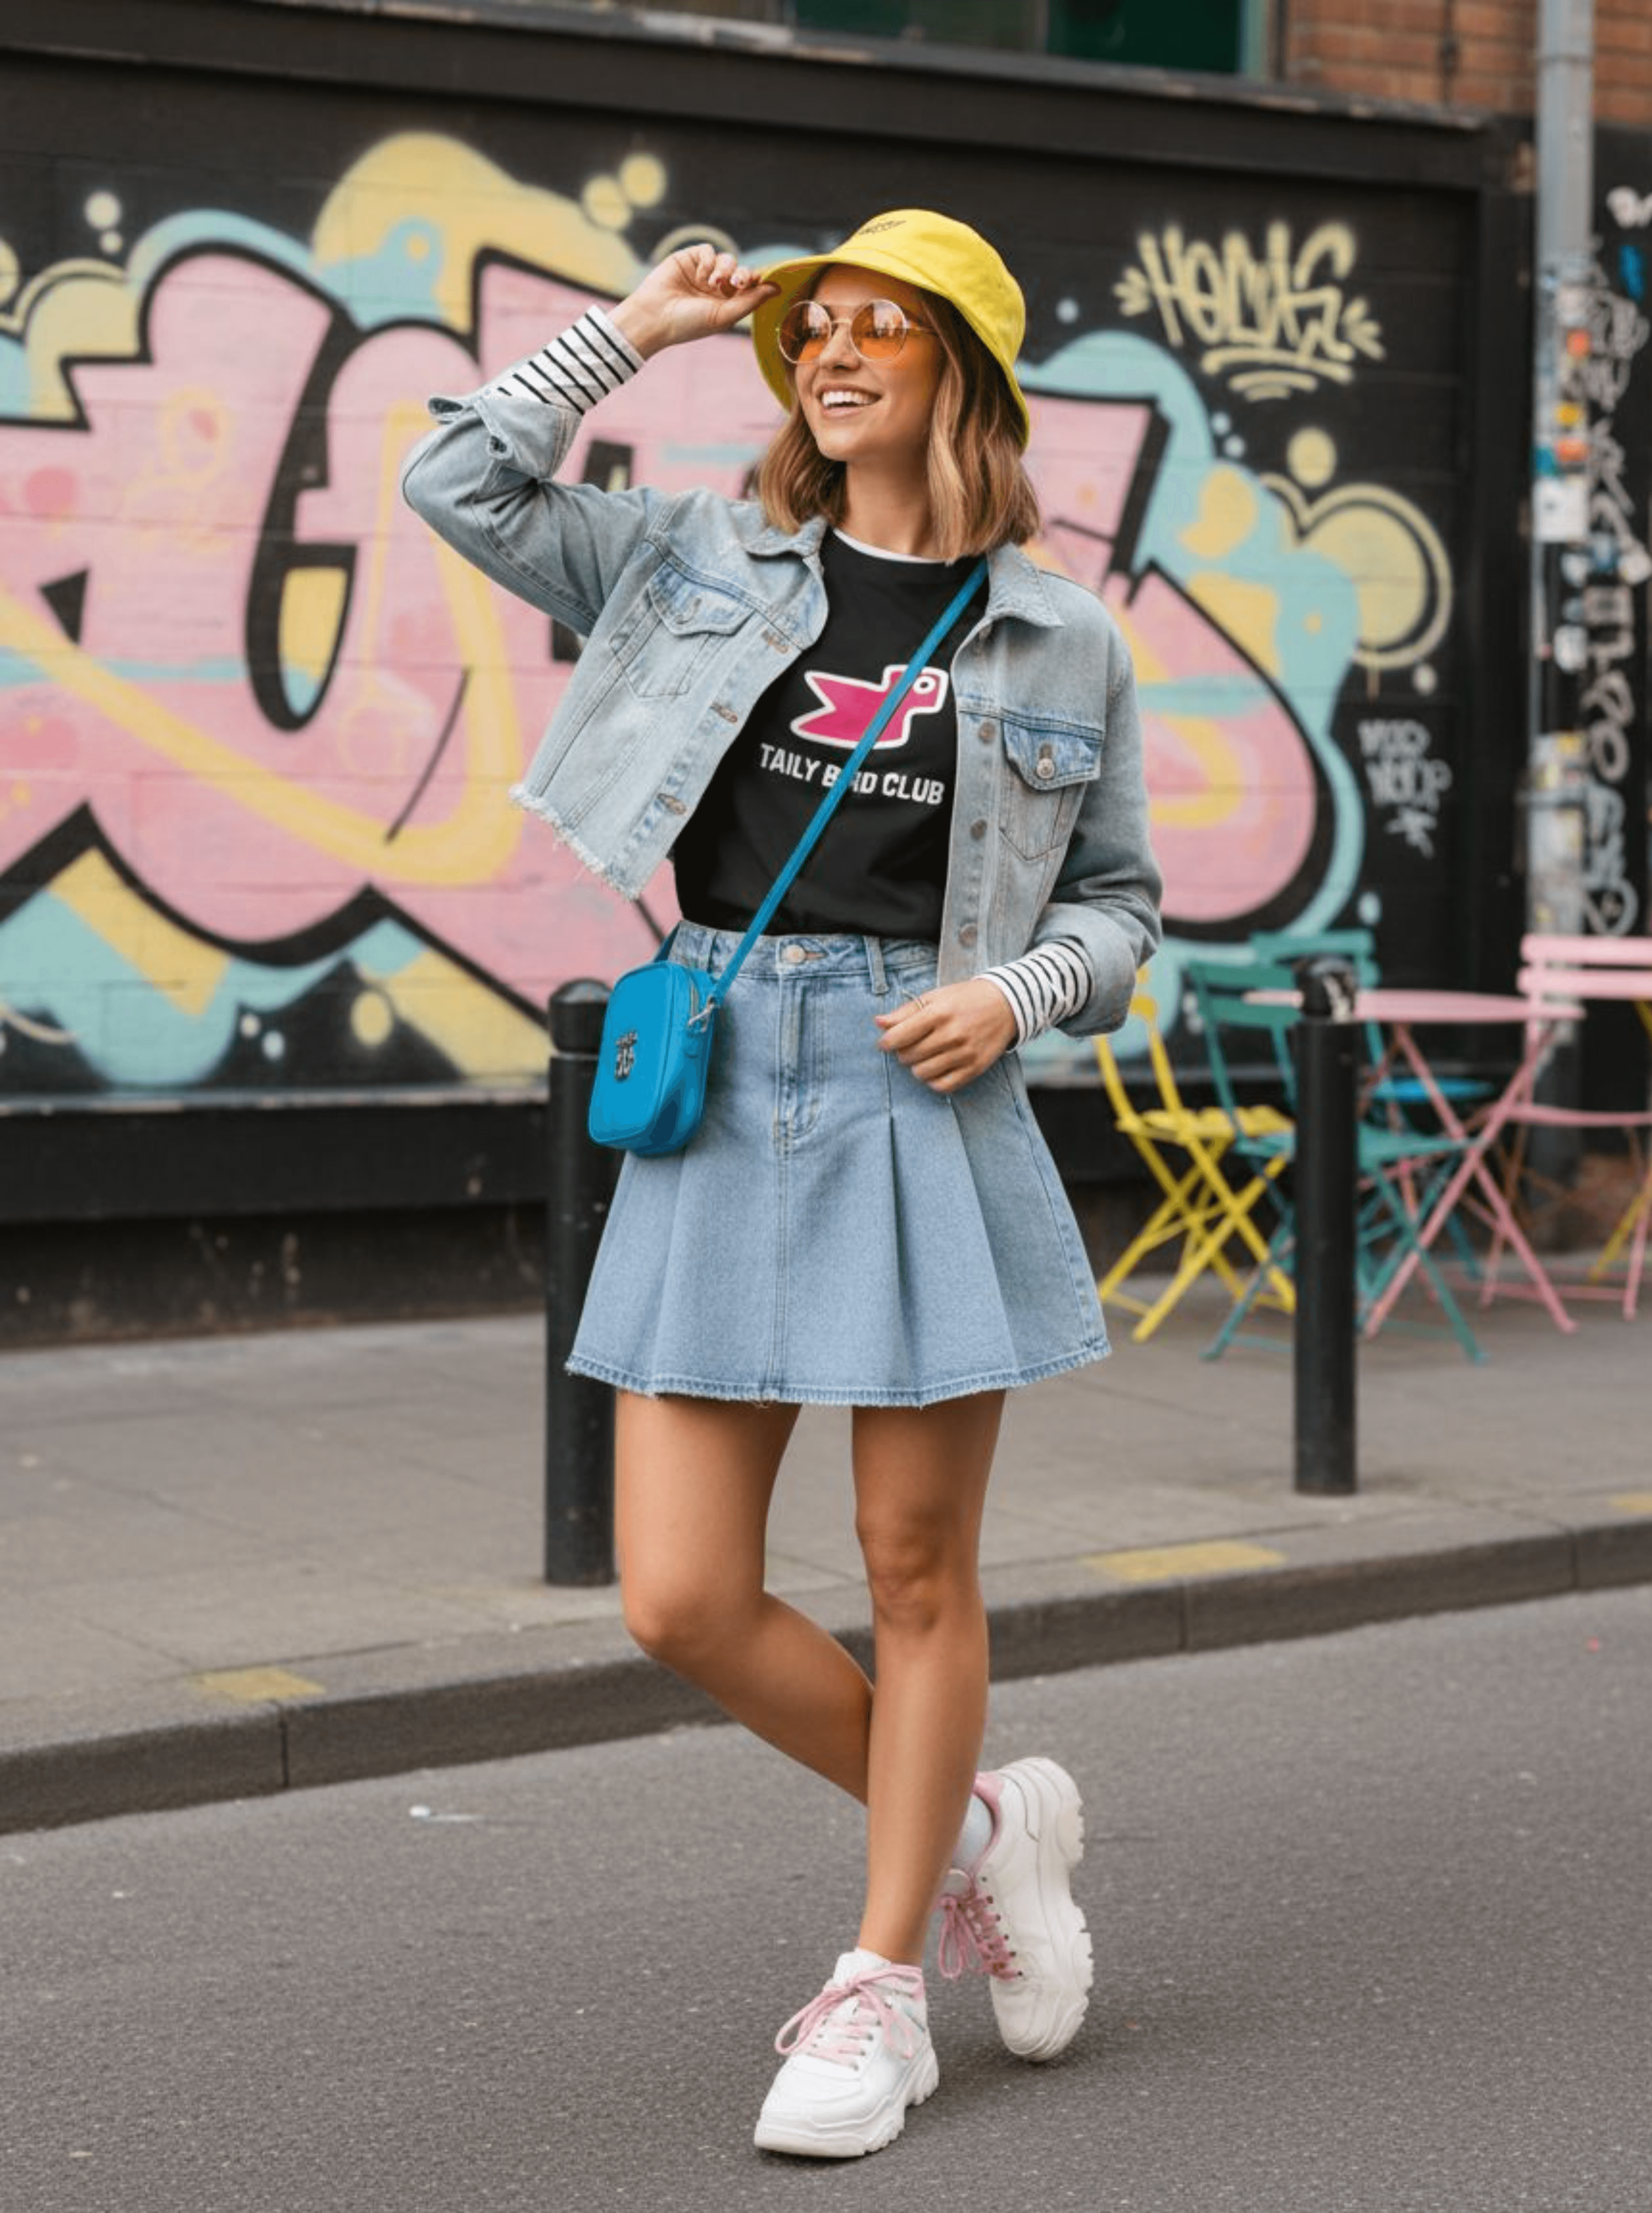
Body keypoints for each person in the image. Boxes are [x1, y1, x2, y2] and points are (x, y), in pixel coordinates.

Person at [402, 208, 1161, 2160]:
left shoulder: (1062, 632)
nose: (831, 354)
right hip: (731, 1067)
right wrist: (630, 335)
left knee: (917, 1569)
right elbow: (454, 478)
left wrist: (1019, 988)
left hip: (927, 1076)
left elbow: (1122, 904)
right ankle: (997, 1824)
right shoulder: (696, 552)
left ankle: (885, 1977)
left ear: (957, 373)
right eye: (813, 330)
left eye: (876, 331)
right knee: (677, 1591)